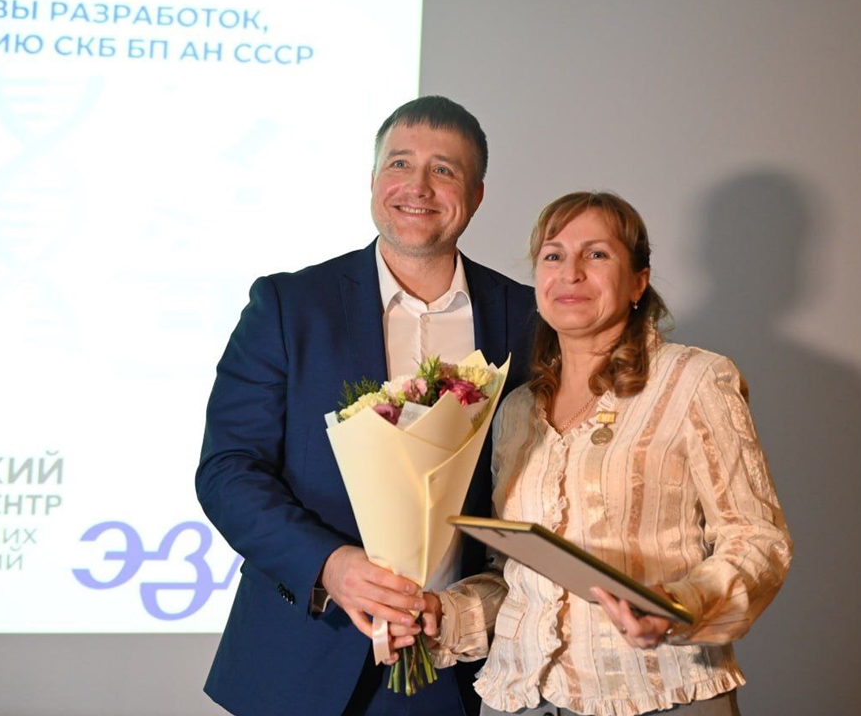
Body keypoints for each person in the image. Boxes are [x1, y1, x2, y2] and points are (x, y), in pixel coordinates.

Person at [195, 95, 536, 716]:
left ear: (477, 195)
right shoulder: (289, 306)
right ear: (374, 179)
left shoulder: (528, 318)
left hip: (453, 663)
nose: (418, 186)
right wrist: (329, 565)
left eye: (444, 170)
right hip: (302, 653)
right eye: (399, 164)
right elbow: (228, 471)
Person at [393, 191, 793, 715]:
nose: (571, 273)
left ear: (638, 282)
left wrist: (680, 605)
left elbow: (758, 541)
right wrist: (443, 613)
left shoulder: (695, 380)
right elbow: (515, 577)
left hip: (660, 694)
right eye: (553, 255)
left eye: (597, 254)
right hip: (521, 700)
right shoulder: (514, 410)